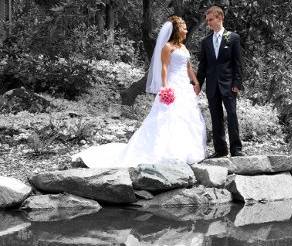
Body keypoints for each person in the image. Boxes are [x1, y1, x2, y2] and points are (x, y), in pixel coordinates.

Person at [72, 16, 207, 168]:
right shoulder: (167, 47)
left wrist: (195, 82)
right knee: (167, 117)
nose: (186, 30)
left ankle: (186, 150)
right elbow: (163, 68)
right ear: (176, 30)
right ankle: (165, 151)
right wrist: (165, 87)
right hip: (172, 85)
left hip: (184, 87)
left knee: (186, 117)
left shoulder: (183, 47)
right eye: (184, 27)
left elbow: (188, 67)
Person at [196, 5, 243, 158]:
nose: (208, 23)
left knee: (232, 114)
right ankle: (220, 150)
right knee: (215, 117)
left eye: (210, 20)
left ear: (220, 18)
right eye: (207, 20)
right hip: (211, 86)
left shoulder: (233, 37)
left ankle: (236, 149)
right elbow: (203, 65)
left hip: (229, 85)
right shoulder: (206, 41)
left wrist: (237, 83)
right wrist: (197, 84)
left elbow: (238, 63)